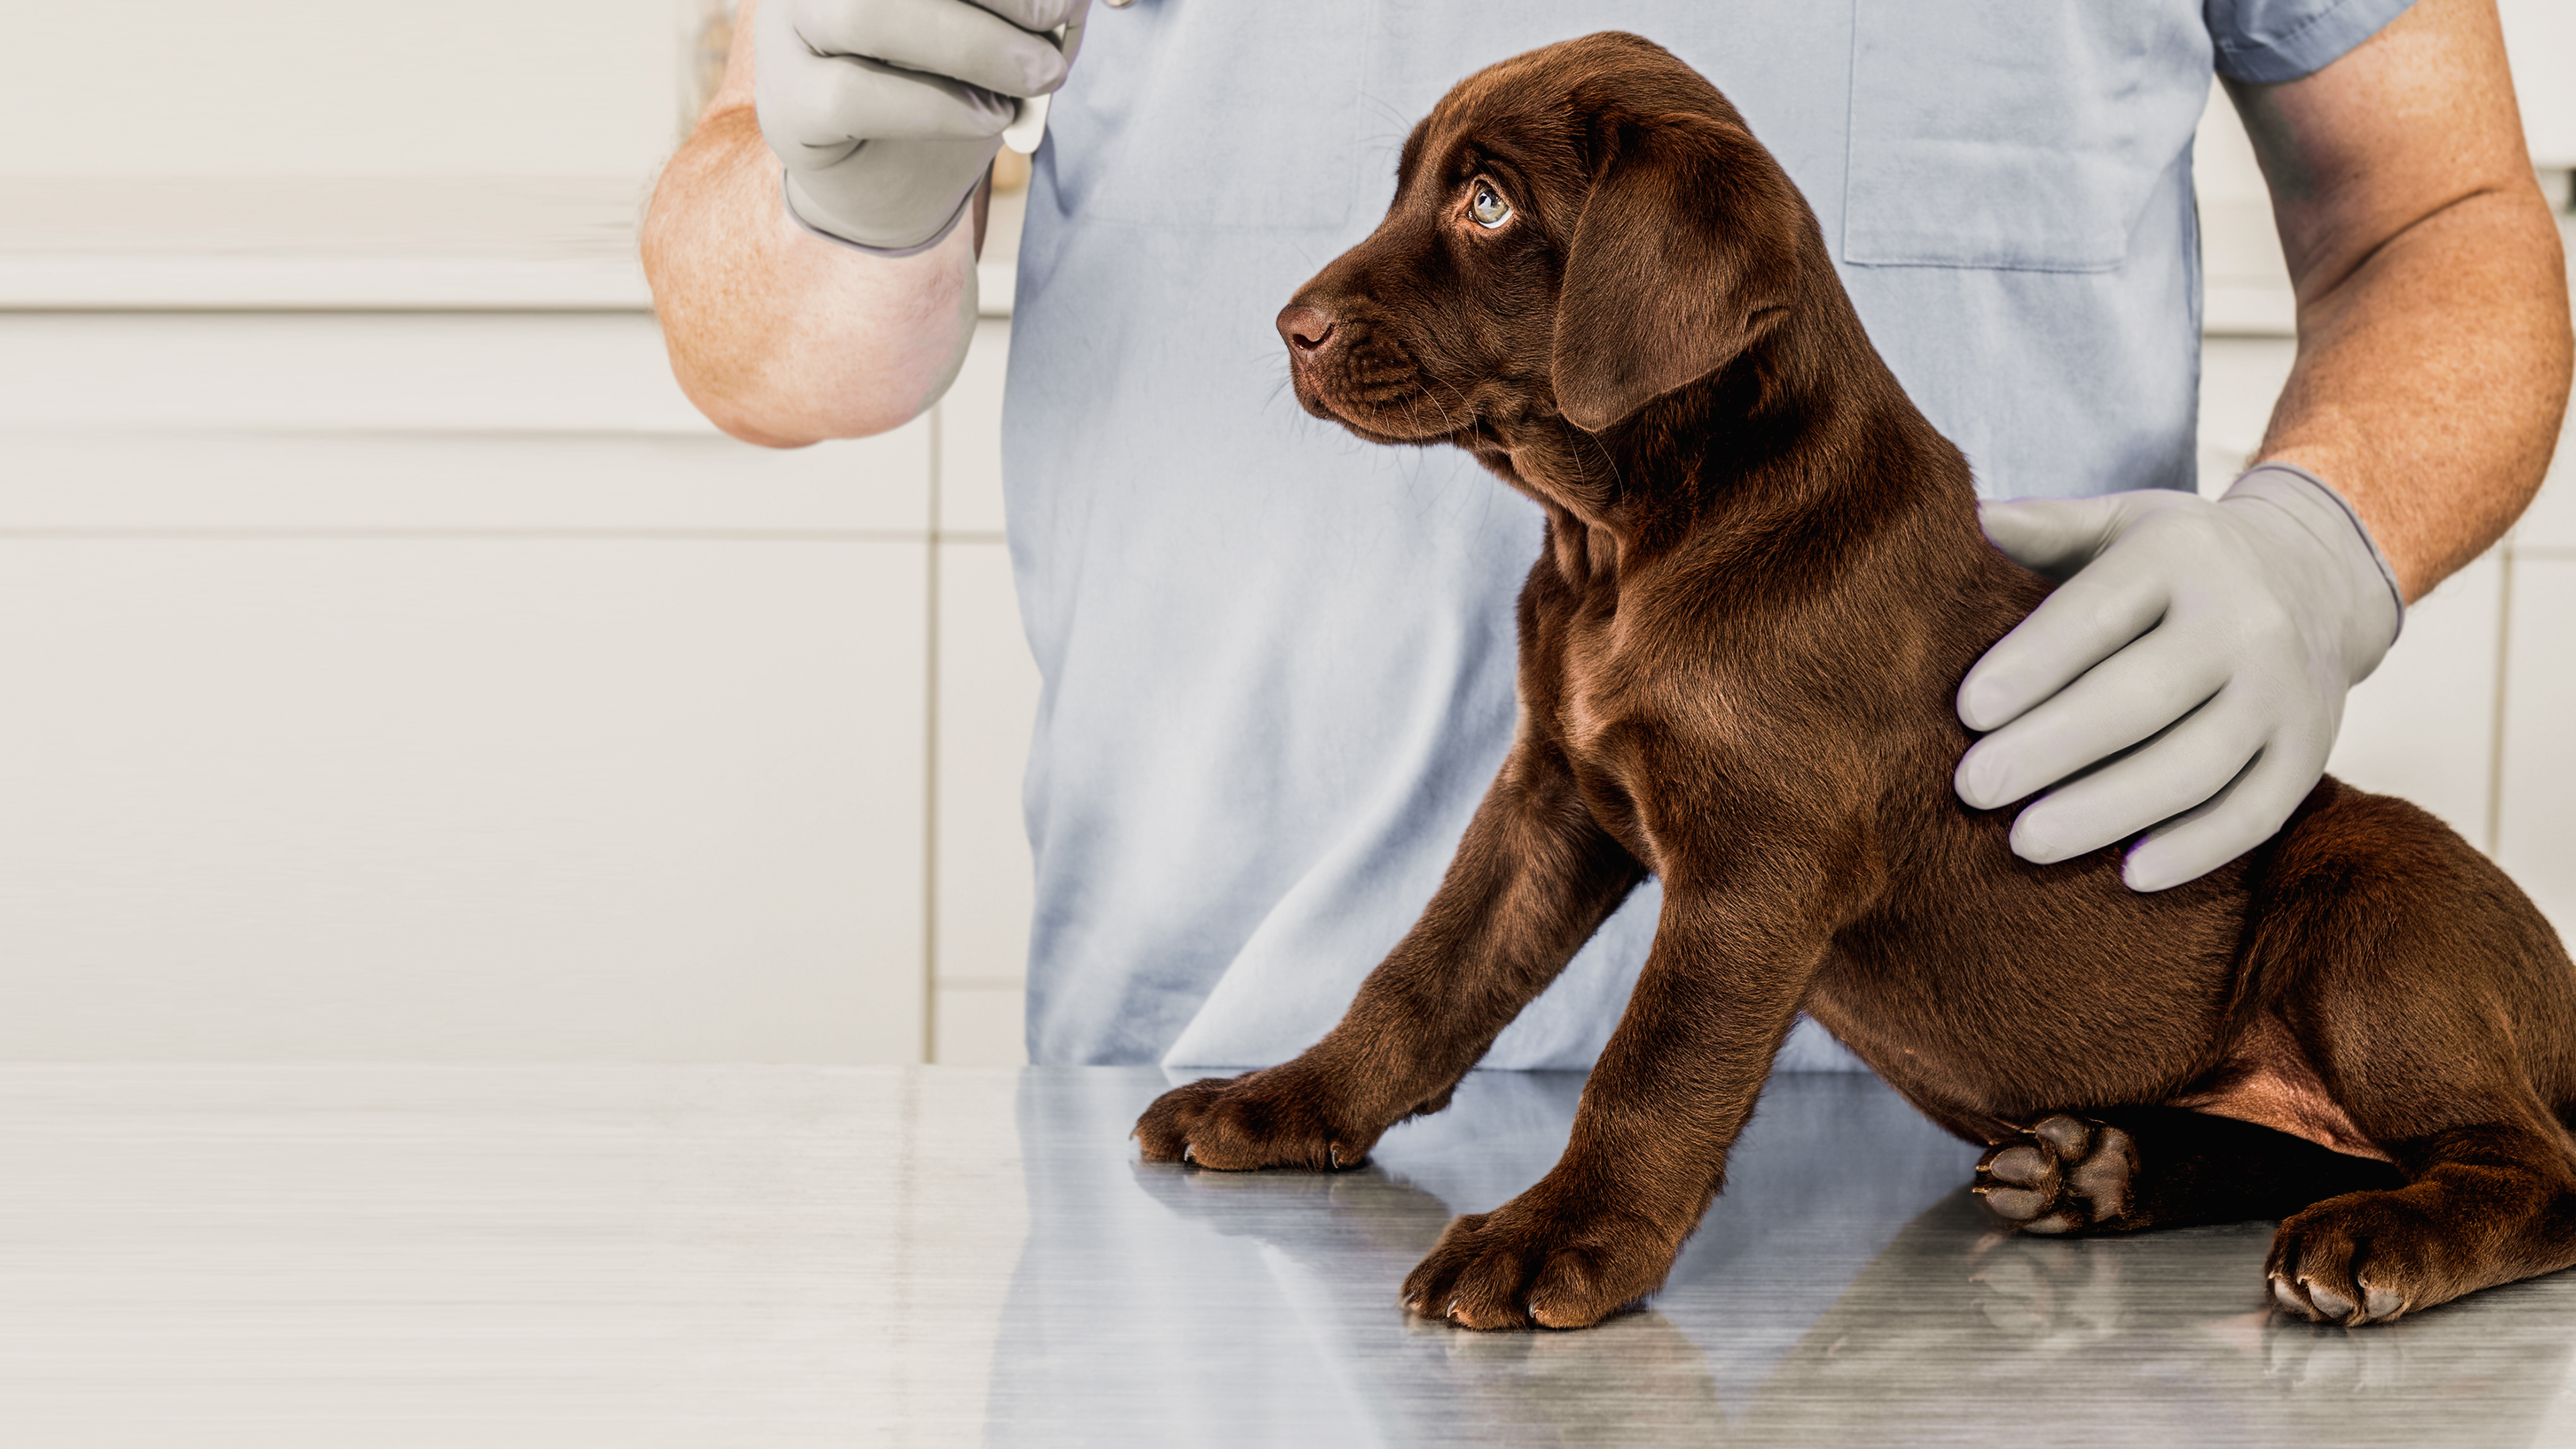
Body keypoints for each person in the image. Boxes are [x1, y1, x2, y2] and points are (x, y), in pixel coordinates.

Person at [644, 0, 2571, 1069]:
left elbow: (2445, 218)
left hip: (2020, 1132)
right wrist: (842, 181)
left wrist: (2327, 542)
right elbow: (770, 354)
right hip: (1235, 1073)